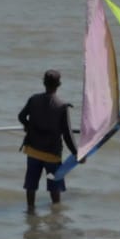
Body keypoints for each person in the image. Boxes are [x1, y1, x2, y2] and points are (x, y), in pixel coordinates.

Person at [18, 68, 77, 213]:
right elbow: (67, 134)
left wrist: (28, 126)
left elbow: (21, 116)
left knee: (31, 185)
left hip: (33, 152)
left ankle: (30, 211)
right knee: (54, 186)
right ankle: (55, 216)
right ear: (59, 84)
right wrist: (77, 153)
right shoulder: (62, 106)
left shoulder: (33, 99)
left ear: (44, 83)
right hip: (52, 156)